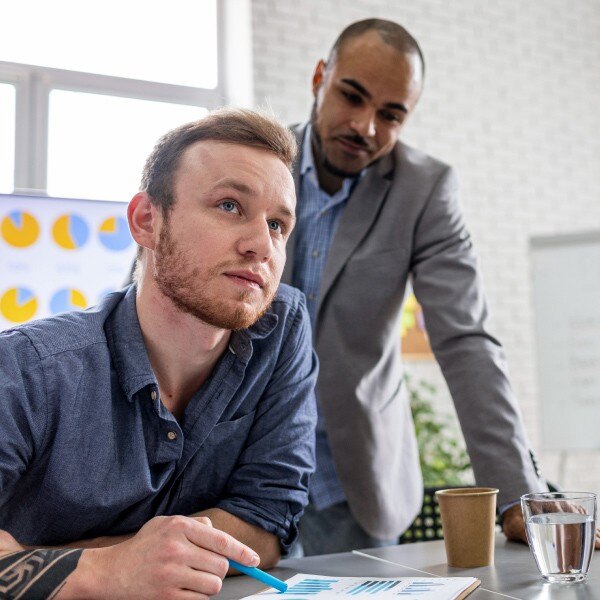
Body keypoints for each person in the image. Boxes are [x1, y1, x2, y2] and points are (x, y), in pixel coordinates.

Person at [0, 108, 318, 598]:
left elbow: (268, 518)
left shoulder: (280, 327)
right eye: (230, 205)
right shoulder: (30, 370)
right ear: (146, 220)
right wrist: (108, 570)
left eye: (278, 224)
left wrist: (117, 558)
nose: (261, 245)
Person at [283, 18, 548, 555]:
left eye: (390, 114)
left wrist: (519, 496)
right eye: (351, 97)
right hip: (241, 475)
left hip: (353, 481)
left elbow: (465, 340)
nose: (366, 127)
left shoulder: (424, 191)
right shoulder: (255, 161)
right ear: (319, 77)